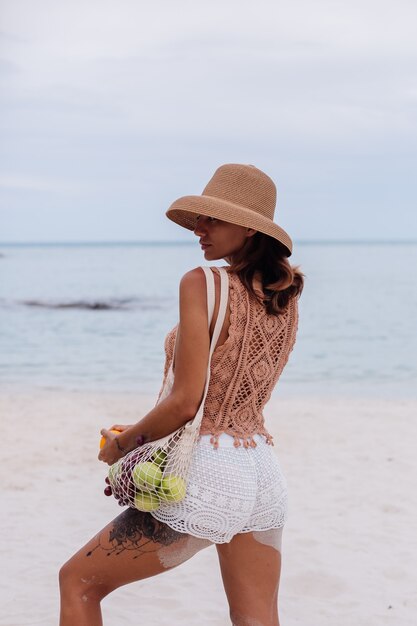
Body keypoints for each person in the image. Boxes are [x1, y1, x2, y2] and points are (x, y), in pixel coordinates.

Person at [59, 163, 304, 626]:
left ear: (250, 228)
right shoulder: (284, 297)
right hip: (262, 475)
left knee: (78, 583)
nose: (200, 229)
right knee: (258, 618)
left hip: (209, 474)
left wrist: (123, 443)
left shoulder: (203, 282)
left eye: (213, 219)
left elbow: (186, 402)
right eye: (199, 218)